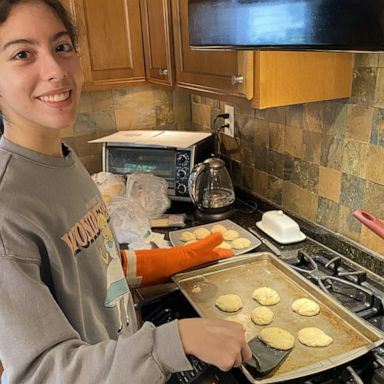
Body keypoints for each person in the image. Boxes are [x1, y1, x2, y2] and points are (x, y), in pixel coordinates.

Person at [0, 1, 252, 383]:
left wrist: (184, 257)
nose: (54, 69)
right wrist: (172, 342)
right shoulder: (8, 206)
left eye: (62, 47)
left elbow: (97, 269)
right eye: (22, 54)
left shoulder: (63, 163)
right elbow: (41, 372)